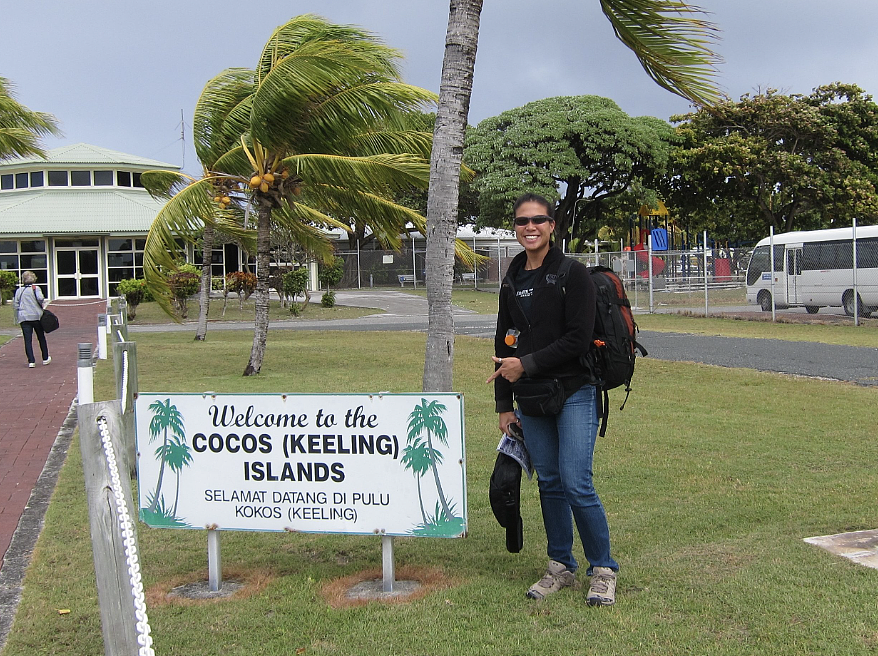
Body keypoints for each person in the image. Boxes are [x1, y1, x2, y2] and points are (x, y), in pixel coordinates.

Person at [487, 193, 618, 606]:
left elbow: (578, 340)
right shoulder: (512, 278)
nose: (531, 227)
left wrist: (524, 364)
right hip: (531, 398)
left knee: (577, 481)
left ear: (552, 226)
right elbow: (502, 342)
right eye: (523, 221)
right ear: (515, 228)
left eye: (538, 220)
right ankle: (560, 565)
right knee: (549, 483)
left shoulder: (572, 274)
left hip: (575, 390)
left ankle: (603, 568)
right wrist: (504, 404)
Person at [13, 271, 51, 369]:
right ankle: (45, 358)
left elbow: (16, 304)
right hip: (36, 316)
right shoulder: (36, 288)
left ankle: (31, 361)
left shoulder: (19, 291)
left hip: (24, 317)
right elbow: (41, 298)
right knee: (41, 337)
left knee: (27, 340)